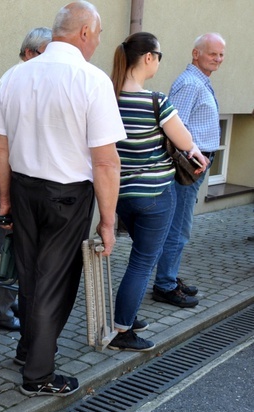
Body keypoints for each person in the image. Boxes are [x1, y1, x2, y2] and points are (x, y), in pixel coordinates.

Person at [0, 1, 126, 396]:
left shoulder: (14, 76)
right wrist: (107, 219)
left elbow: (1, 149)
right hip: (67, 196)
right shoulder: (92, 80)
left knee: (31, 276)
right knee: (56, 284)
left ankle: (27, 350)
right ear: (84, 32)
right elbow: (105, 162)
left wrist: (4, 200)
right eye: (98, 34)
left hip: (22, 187)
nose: (98, 42)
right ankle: (38, 376)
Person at [107, 32, 207, 352]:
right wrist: (198, 155)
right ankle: (122, 330)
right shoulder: (155, 100)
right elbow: (184, 140)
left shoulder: (108, 99)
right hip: (155, 196)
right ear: (148, 57)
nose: (159, 63)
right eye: (159, 56)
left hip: (121, 195)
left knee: (141, 257)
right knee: (142, 262)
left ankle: (128, 316)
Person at [0, 27, 52, 333]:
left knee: (16, 241)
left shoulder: (23, 78)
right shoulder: (17, 81)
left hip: (1, 166)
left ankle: (11, 302)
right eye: (48, 54)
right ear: (30, 53)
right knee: (8, 242)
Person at [152, 33, 226, 308]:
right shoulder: (189, 83)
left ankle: (168, 276)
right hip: (187, 168)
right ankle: (165, 285)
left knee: (179, 225)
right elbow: (173, 129)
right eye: (212, 54)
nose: (218, 59)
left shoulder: (199, 81)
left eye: (221, 55)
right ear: (196, 54)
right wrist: (190, 161)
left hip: (196, 166)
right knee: (178, 228)